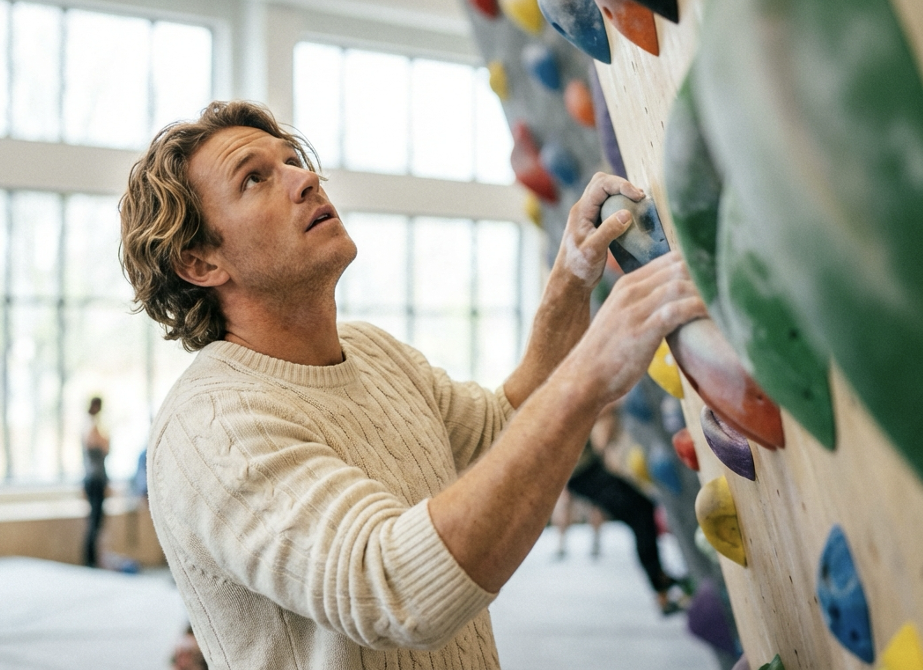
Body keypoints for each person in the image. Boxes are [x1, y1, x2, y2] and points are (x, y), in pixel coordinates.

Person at [119, 101, 706, 667]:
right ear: (199, 264)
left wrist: (572, 277)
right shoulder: (212, 425)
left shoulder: (372, 351)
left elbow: (504, 429)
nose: (305, 179)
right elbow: (394, 588)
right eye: (254, 179)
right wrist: (588, 376)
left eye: (292, 159)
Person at [565, 405, 687, 614]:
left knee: (643, 510)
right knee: (640, 515)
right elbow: (590, 410)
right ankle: (661, 592)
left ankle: (660, 581)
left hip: (588, 471)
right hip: (583, 475)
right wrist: (619, 400)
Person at [82, 396, 110, 567]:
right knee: (94, 521)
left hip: (98, 478)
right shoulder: (90, 428)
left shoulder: (96, 427)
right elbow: (102, 447)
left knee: (97, 521)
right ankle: (90, 561)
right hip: (94, 480)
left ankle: (94, 559)